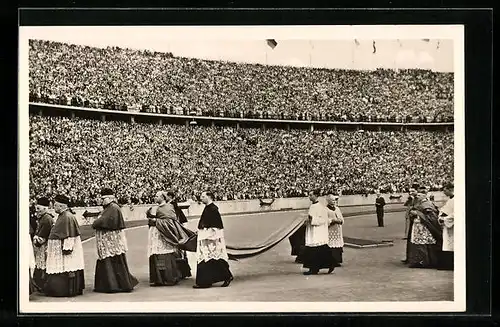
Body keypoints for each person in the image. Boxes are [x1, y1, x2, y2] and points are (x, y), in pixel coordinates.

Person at [91, 188, 139, 293]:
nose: (101, 200)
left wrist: (95, 222)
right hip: (107, 240)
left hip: (111, 241)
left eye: (103, 198)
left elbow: (103, 221)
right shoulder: (108, 208)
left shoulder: (113, 208)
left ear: (110, 198)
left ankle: (113, 285)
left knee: (112, 261)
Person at [44, 195, 85, 297]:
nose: (53, 207)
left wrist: (67, 247)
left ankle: (63, 290)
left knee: (67, 267)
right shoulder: (64, 215)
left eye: (55, 205)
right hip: (61, 249)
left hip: (65, 251)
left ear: (61, 206)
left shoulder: (67, 216)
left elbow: (70, 235)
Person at [193, 191, 233, 288]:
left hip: (210, 239)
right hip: (207, 237)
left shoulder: (213, 209)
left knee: (212, 258)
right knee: (211, 259)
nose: (201, 198)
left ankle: (224, 276)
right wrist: (201, 230)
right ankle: (209, 280)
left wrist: (206, 234)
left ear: (209, 197)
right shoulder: (209, 208)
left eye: (203, 196)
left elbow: (216, 226)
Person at [147, 191, 182, 286]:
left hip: (163, 235)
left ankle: (167, 278)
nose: (155, 197)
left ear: (163, 197)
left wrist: (155, 221)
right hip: (156, 234)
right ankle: (159, 278)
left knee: (163, 255)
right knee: (158, 255)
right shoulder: (156, 208)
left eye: (157, 196)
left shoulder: (168, 207)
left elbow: (170, 222)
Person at [406, 187, 443, 268]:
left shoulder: (427, 203)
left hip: (425, 227)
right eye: (417, 195)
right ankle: (419, 261)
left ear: (424, 195)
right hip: (418, 227)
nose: (417, 196)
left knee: (425, 244)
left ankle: (426, 261)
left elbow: (431, 216)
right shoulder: (418, 203)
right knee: (418, 244)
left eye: (419, 195)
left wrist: (417, 214)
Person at [302, 189, 335, 275]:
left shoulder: (321, 207)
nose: (309, 196)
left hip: (318, 232)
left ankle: (316, 268)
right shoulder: (312, 206)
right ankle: (314, 268)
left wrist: (312, 219)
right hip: (312, 231)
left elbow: (323, 220)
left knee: (317, 249)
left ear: (316, 196)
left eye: (311, 195)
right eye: (309, 195)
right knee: (314, 249)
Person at [32, 197, 54, 291]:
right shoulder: (44, 217)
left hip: (44, 245)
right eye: (36, 209)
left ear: (45, 209)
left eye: (39, 209)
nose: (37, 212)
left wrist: (36, 239)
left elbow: (42, 236)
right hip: (42, 244)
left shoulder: (46, 219)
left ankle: (43, 285)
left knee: (43, 264)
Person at [438, 182, 454, 271]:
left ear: (449, 189)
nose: (444, 192)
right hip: (448, 225)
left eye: (445, 190)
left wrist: (444, 219)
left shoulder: (456, 199)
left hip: (452, 226)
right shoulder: (450, 199)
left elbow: (455, 214)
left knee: (452, 244)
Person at [326, 194, 344, 267]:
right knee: (331, 245)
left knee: (338, 245)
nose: (334, 202)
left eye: (334, 200)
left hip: (338, 229)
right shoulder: (326, 209)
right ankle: (331, 261)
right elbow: (326, 220)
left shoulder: (337, 209)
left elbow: (341, 218)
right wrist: (332, 221)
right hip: (331, 230)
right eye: (332, 200)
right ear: (328, 201)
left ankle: (337, 260)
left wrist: (340, 221)